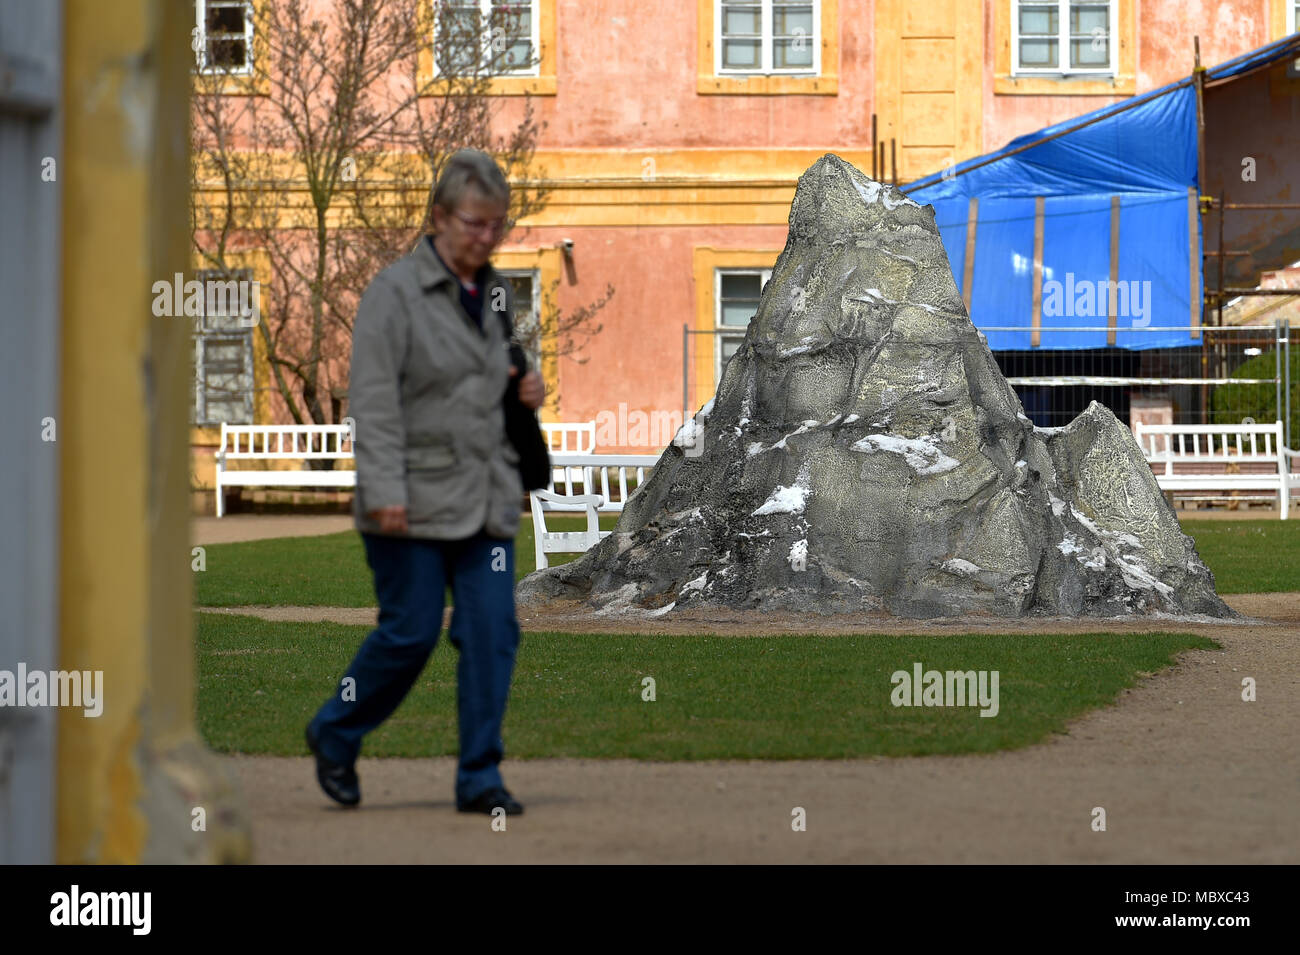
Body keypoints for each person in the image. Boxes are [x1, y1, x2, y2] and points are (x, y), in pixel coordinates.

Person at [306, 149, 545, 815]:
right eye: (475, 224)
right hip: (409, 497)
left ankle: (479, 776)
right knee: (409, 633)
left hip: (485, 498)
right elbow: (374, 402)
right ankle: (335, 728)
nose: (487, 237)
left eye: (497, 225)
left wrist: (523, 389)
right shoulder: (393, 294)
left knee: (493, 629)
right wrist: (382, 491)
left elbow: (487, 382)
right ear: (439, 217)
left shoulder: (492, 292)